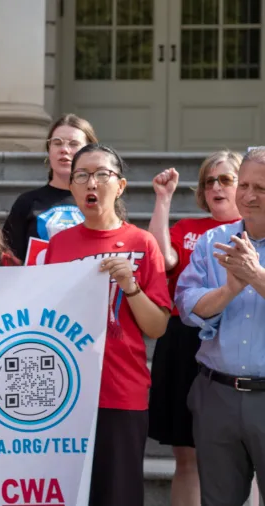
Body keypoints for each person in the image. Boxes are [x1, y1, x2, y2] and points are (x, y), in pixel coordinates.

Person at [45, 144, 170, 506]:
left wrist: (130, 286)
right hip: (66, 394)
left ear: (120, 185)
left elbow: (157, 328)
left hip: (121, 392)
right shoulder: (58, 245)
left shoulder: (142, 243)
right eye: (82, 175)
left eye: (102, 174)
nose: (92, 183)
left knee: (119, 495)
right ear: (71, 186)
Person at [148, 150, 242, 506]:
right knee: (186, 455)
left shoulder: (255, 231)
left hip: (235, 341)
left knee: (242, 458)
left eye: (225, 179)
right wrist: (163, 199)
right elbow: (161, 260)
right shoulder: (188, 229)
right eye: (208, 181)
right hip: (182, 341)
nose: (216, 187)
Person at [175, 147, 265, 506]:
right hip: (217, 395)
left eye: (261, 187)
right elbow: (186, 305)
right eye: (243, 185)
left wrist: (256, 276)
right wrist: (229, 290)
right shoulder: (212, 241)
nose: (249, 195)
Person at [3, 114, 98, 262]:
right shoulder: (27, 202)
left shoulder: (102, 200)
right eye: (57, 143)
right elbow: (10, 259)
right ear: (49, 150)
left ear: (89, 152)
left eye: (73, 144)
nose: (64, 149)